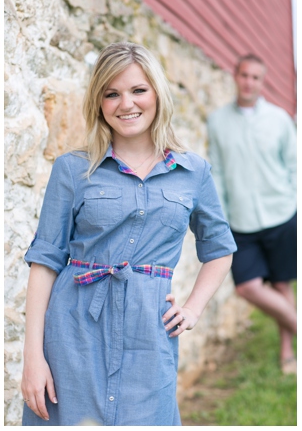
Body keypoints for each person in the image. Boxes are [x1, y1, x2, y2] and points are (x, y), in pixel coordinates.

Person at [20, 42, 236, 425]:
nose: (126, 104)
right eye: (112, 93)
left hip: (150, 332)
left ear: (157, 93)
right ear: (99, 102)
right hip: (73, 330)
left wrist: (193, 309)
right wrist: (33, 358)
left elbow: (219, 249)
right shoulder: (73, 169)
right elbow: (45, 261)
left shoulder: (193, 171)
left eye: (138, 90)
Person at [207, 54, 297, 374]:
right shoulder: (217, 121)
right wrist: (220, 216)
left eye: (256, 77)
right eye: (244, 75)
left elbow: (293, 165)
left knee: (283, 286)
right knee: (247, 285)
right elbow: (216, 171)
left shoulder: (279, 119)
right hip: (240, 221)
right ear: (236, 76)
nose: (249, 82)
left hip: (281, 213)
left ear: (263, 81)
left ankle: (288, 352)